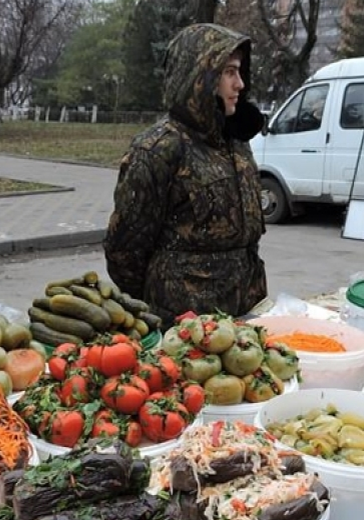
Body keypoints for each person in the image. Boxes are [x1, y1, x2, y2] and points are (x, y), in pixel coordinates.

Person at [103, 23, 267, 326]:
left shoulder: (234, 141)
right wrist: (160, 301)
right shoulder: (158, 149)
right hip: (182, 323)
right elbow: (125, 249)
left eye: (240, 71)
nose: (240, 84)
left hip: (240, 311)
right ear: (200, 78)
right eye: (229, 72)